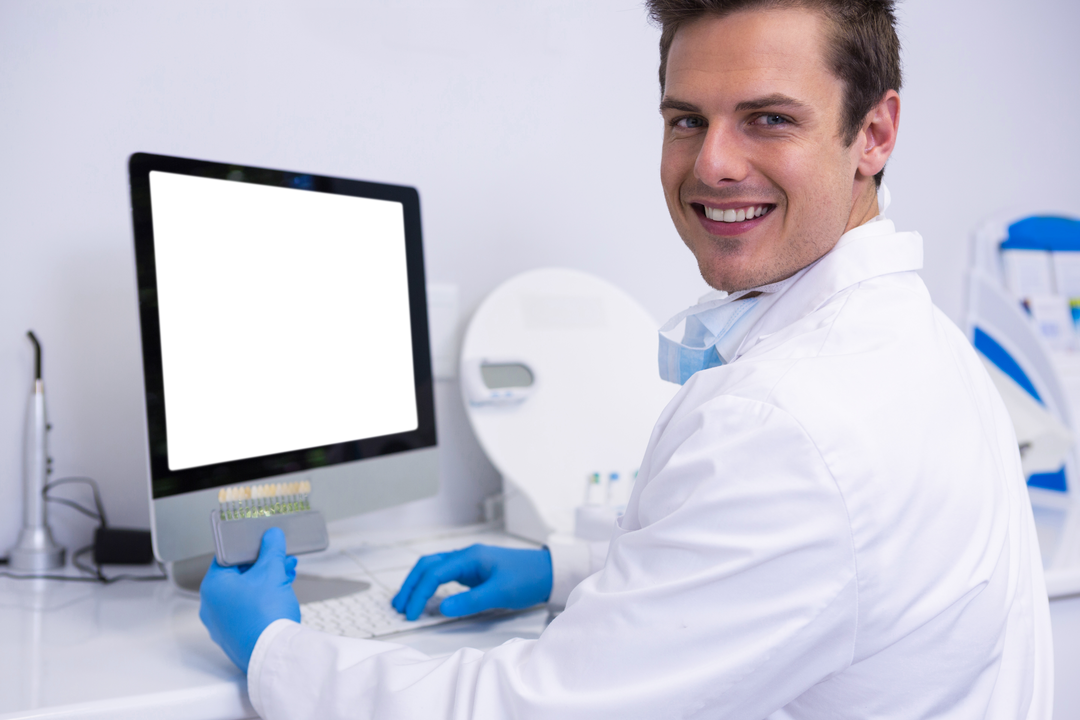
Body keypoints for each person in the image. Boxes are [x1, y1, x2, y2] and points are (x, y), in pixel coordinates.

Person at [199, 1, 1054, 717]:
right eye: (688, 120)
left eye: (769, 118)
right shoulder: (917, 338)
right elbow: (784, 576)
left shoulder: (792, 421)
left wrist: (278, 651)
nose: (712, 163)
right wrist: (561, 568)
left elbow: (535, 710)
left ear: (873, 133)